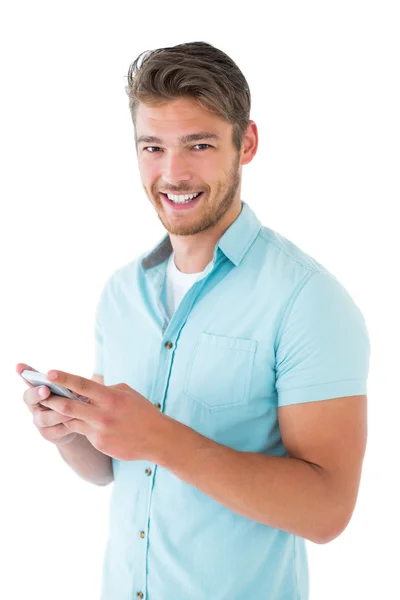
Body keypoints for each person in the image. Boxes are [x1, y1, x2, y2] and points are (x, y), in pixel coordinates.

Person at [17, 41, 370, 600]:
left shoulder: (308, 299)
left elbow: (327, 512)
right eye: (152, 147)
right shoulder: (121, 292)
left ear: (246, 143)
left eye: (198, 145)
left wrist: (160, 439)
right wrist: (67, 432)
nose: (172, 173)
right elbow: (112, 469)